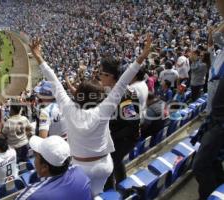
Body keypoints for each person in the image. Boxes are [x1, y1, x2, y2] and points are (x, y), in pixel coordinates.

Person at [29, 35, 152, 195]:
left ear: (78, 96)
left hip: (80, 169)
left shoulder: (68, 108)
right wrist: (142, 56)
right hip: (104, 166)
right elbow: (123, 81)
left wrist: (39, 57)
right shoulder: (104, 108)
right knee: (100, 193)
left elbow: (54, 81)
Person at [192, 1, 224, 199]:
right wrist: (213, 31)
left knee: (201, 165)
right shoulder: (218, 55)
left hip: (220, 121)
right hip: (215, 113)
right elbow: (217, 39)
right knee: (210, 162)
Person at [98, 57, 140, 190]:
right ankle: (122, 186)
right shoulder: (112, 91)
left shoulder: (125, 95)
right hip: (118, 136)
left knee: (109, 165)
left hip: (124, 138)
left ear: (110, 76)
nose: (100, 77)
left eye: (101, 74)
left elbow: (132, 123)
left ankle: (111, 192)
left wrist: (111, 136)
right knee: (116, 162)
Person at [16, 135, 92, 200]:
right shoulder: (79, 172)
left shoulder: (31, 196)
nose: (34, 160)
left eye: (35, 156)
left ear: (45, 167)